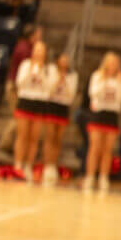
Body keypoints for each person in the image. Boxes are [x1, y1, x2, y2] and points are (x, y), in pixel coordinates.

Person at [84, 52, 121, 191]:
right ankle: (90, 177)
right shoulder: (97, 76)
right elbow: (93, 93)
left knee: (108, 149)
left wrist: (119, 84)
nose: (113, 65)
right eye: (110, 62)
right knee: (95, 147)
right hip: (98, 113)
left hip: (112, 114)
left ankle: (104, 177)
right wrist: (104, 82)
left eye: (115, 63)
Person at [12, 41, 51, 181]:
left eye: (42, 50)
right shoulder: (26, 65)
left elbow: (49, 89)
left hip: (39, 103)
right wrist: (31, 72)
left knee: (34, 137)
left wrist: (41, 73)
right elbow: (19, 83)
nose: (39, 53)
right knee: (22, 135)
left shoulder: (48, 68)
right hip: (25, 101)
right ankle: (18, 165)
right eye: (37, 50)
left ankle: (28, 165)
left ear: (45, 53)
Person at [42, 52, 78, 185]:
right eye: (62, 59)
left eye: (66, 60)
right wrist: (58, 80)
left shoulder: (73, 76)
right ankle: (46, 165)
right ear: (58, 61)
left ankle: (53, 166)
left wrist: (65, 82)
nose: (64, 62)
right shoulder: (51, 71)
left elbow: (71, 95)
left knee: (58, 138)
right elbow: (48, 91)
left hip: (63, 107)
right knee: (50, 136)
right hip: (52, 105)